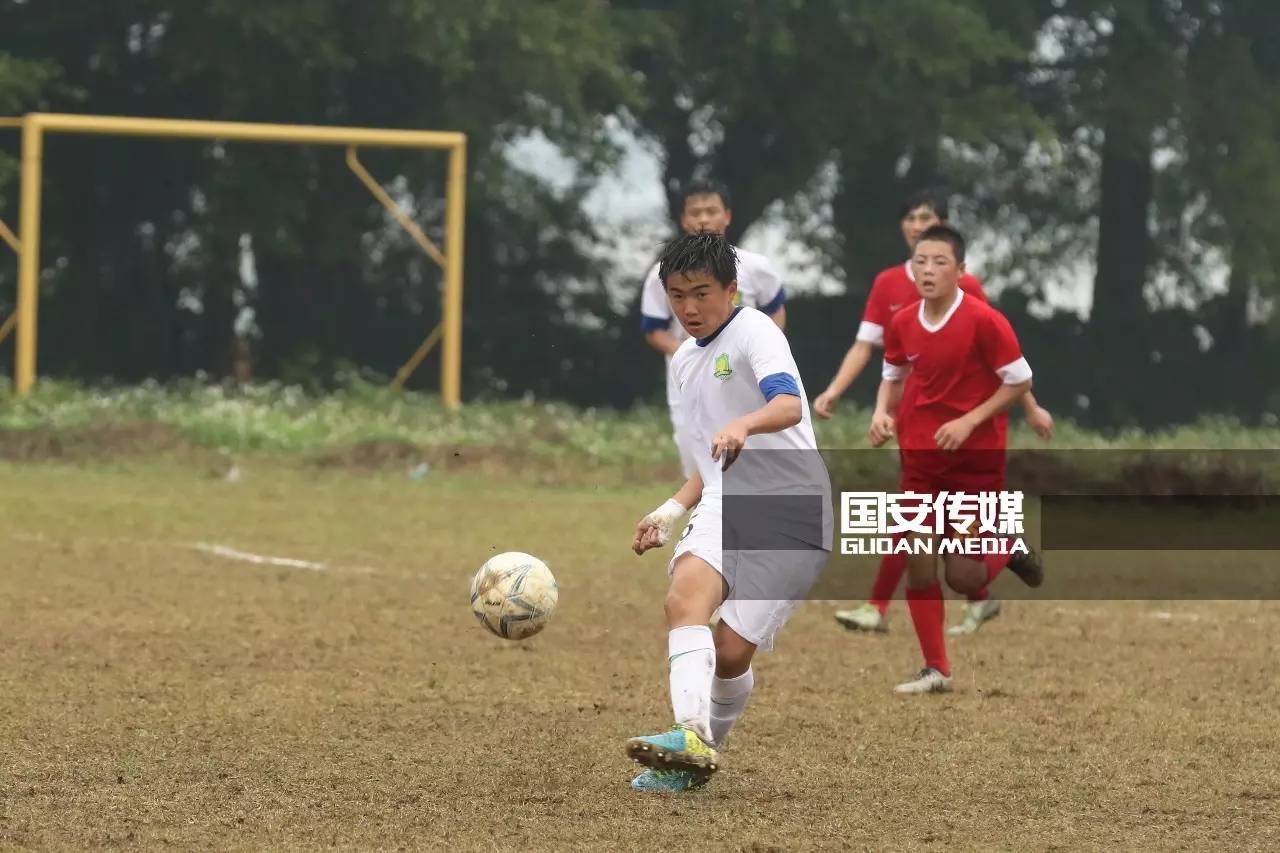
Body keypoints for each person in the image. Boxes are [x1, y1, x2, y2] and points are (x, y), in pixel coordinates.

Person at [628, 231, 831, 790]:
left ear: (731, 289)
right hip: (726, 501)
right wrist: (670, 510)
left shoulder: (754, 329)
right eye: (676, 295)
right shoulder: (685, 362)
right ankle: (688, 735)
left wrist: (745, 422)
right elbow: (707, 458)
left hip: (792, 510)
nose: (689, 308)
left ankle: (697, 756)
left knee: (731, 653)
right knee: (685, 597)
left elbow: (788, 404)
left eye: (701, 292)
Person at [819, 190, 1051, 636]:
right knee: (916, 524)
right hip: (918, 426)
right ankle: (892, 614)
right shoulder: (888, 285)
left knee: (939, 535)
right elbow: (871, 350)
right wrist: (847, 396)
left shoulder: (971, 294)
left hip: (970, 433)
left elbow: (1008, 362)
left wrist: (1030, 406)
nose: (917, 225)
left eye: (927, 218)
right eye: (911, 217)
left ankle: (962, 580)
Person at [868, 224, 1033, 694]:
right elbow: (893, 376)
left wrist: (968, 421)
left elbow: (1019, 380)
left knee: (963, 576)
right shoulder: (902, 322)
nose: (928, 270)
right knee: (919, 559)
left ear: (961, 271)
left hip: (972, 467)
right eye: (921, 261)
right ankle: (936, 669)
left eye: (940, 262)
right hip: (921, 465)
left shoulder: (985, 320)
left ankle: (1010, 545)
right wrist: (882, 413)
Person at [640, 180, 787, 478]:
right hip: (688, 375)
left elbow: (776, 314)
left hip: (745, 371)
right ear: (683, 220)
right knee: (696, 454)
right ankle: (707, 514)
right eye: (695, 213)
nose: (704, 220)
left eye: (711, 211)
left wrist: (763, 349)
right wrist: (692, 354)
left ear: (727, 216)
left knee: (755, 447)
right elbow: (654, 328)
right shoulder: (661, 273)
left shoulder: (757, 267)